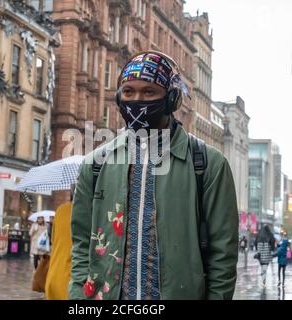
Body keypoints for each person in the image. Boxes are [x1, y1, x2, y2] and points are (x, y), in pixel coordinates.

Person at [70, 50, 238, 300]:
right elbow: (83, 245)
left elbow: (222, 255)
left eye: (148, 92)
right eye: (128, 92)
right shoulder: (95, 164)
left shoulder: (209, 165)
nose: (137, 100)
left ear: (171, 99)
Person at [45, 185, 74, 300]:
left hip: (53, 275)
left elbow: (53, 240)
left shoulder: (61, 210)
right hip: (69, 281)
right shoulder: (87, 212)